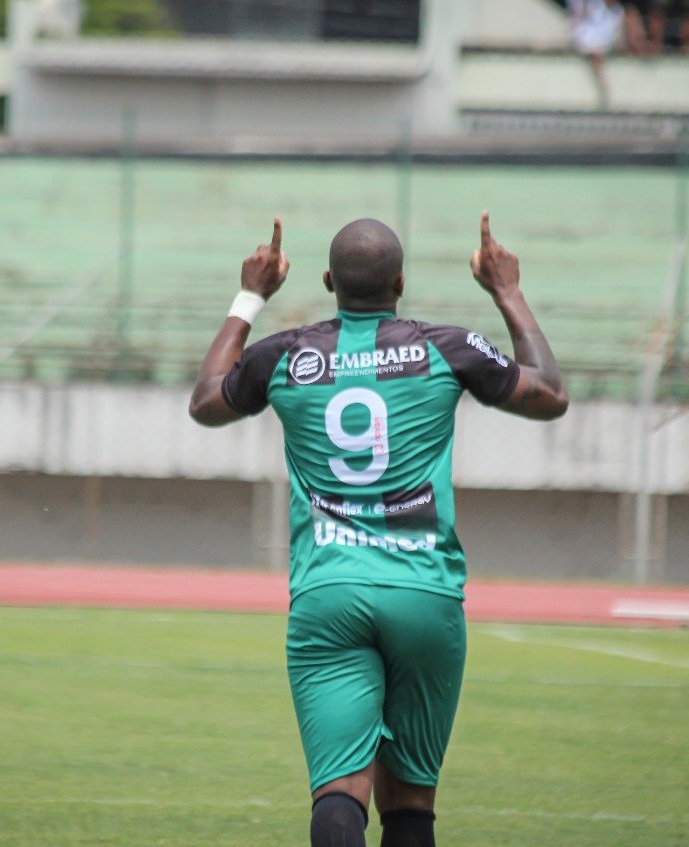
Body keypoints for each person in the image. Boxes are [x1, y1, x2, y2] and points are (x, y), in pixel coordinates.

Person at [189, 212, 568, 847]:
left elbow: (205, 402)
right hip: (426, 594)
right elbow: (549, 393)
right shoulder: (447, 347)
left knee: (339, 792)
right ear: (399, 282)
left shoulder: (284, 354)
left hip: (328, 593)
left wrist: (251, 295)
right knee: (411, 802)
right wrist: (506, 291)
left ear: (330, 281)